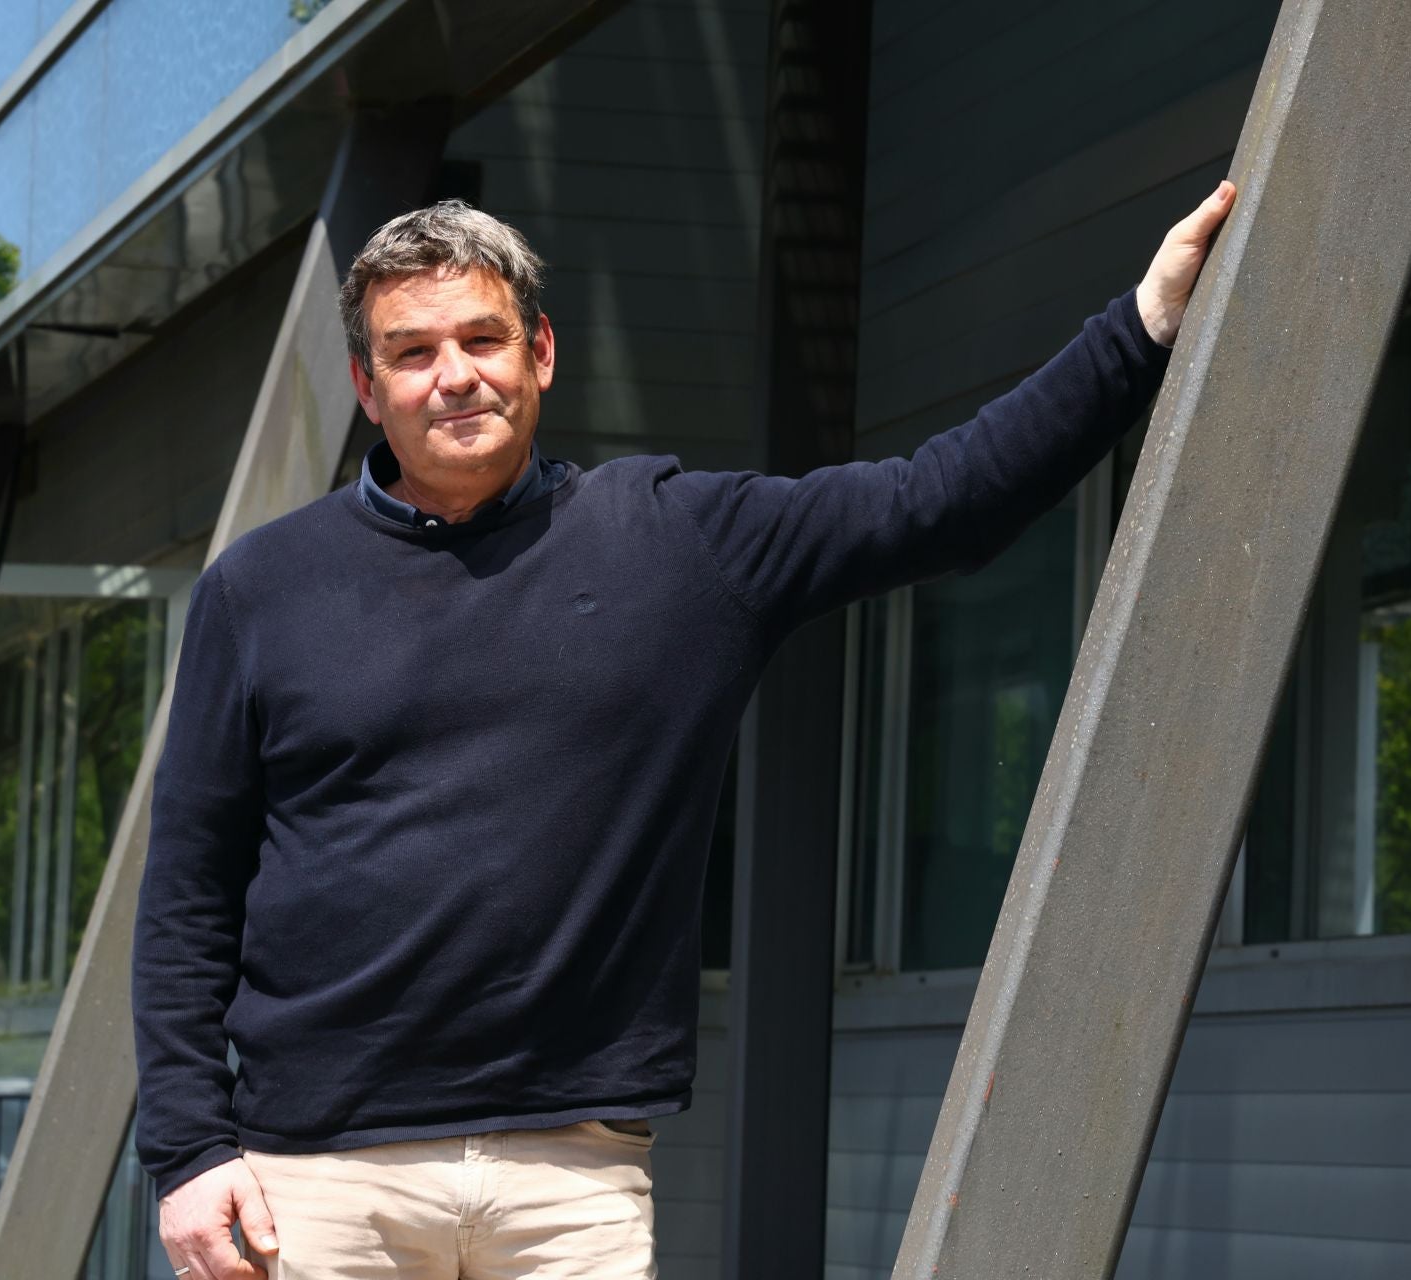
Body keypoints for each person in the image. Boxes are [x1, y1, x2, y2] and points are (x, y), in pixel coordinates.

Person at [135, 181, 1238, 1280]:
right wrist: (187, 1151)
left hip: (572, 1181)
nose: (455, 375)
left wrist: (1142, 324)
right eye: (412, 352)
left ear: (541, 353)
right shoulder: (260, 590)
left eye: (482, 338)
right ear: (366, 387)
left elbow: (939, 502)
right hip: (321, 1180)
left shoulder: (676, 545)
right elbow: (188, 893)